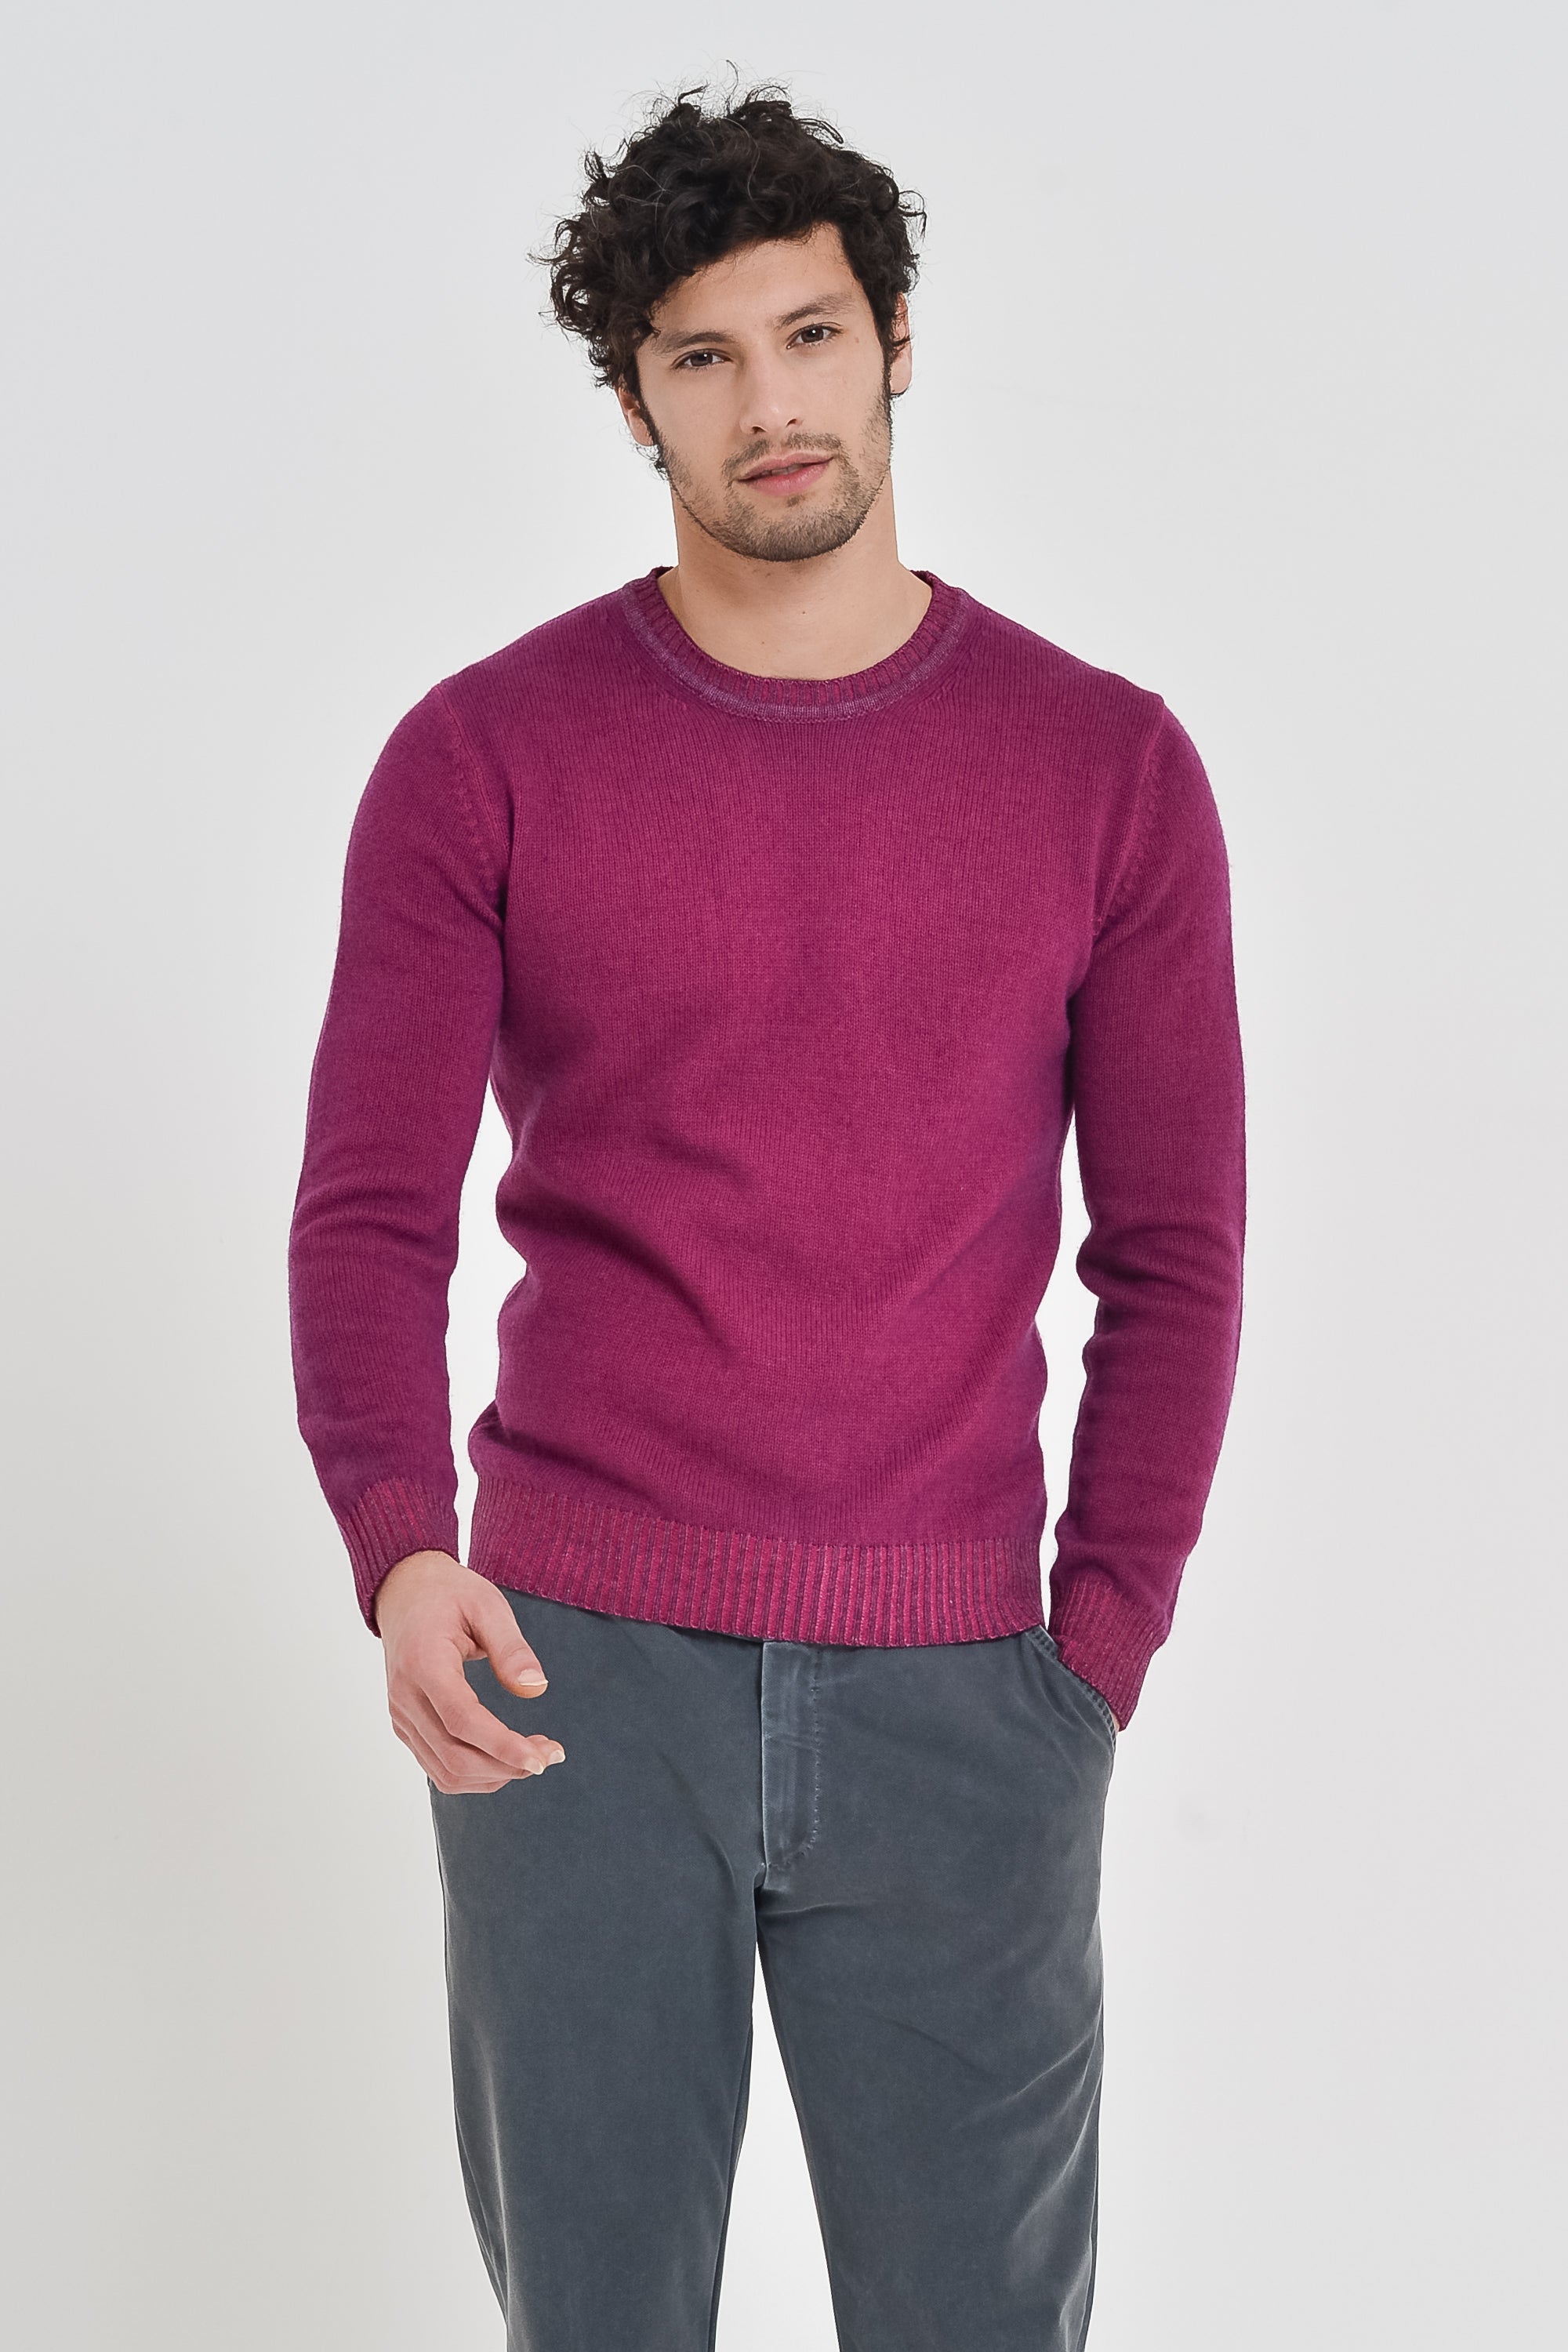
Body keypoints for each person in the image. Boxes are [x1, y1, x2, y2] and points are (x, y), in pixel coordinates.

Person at [287, 82, 1247, 2352]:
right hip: (573, 1685)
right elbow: (370, 1213)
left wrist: (1095, 1650)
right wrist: (400, 1548)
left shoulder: (1106, 769)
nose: (770, 405)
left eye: (811, 336)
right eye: (703, 358)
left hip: (969, 1691)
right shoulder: (482, 756)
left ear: (896, 342)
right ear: (638, 402)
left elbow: (1177, 1253)